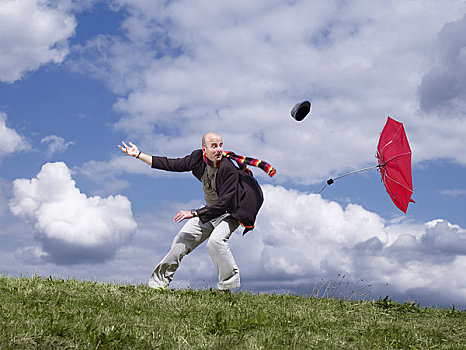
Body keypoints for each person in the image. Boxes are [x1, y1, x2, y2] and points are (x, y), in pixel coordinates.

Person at [118, 132, 268, 291]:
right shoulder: (197, 158)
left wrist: (194, 213)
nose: (219, 150)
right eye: (214, 146)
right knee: (180, 241)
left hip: (229, 213)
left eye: (220, 145)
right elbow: (171, 164)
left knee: (216, 242)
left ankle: (227, 286)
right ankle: (157, 285)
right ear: (204, 150)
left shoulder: (227, 168)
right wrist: (139, 155)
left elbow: (224, 203)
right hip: (209, 212)